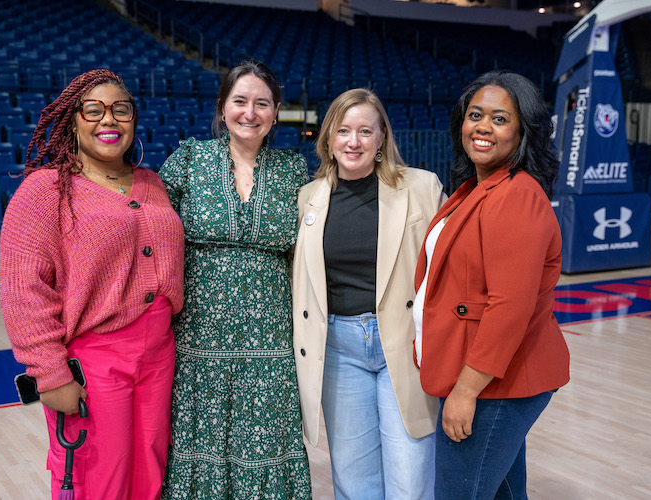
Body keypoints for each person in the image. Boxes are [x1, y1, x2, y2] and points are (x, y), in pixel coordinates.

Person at [0, 69, 185, 500]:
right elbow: (23, 290)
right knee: (97, 475)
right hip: (95, 359)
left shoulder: (153, 183)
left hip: (159, 354)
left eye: (121, 109)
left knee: (150, 469)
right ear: (73, 121)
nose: (109, 120)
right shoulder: (45, 190)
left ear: (134, 120)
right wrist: (49, 374)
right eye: (94, 110)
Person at [413, 70, 571, 499]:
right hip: (484, 376)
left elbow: (509, 307)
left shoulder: (516, 194)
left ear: (522, 131)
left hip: (496, 382)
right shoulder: (475, 188)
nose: (482, 126)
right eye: (475, 115)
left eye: (499, 119)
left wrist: (465, 391)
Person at [160, 60, 312, 499]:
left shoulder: (294, 172)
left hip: (271, 344)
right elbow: (145, 230)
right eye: (240, 101)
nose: (250, 112)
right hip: (198, 342)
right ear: (222, 108)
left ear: (276, 111)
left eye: (261, 103)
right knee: (198, 446)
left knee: (266, 445)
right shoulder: (189, 160)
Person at [292, 88, 445, 500]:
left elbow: (450, 268)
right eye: (343, 130)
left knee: (410, 479)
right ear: (328, 139)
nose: (353, 141)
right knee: (353, 480)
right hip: (339, 350)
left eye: (365, 131)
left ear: (381, 140)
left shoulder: (422, 187)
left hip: (404, 344)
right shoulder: (310, 197)